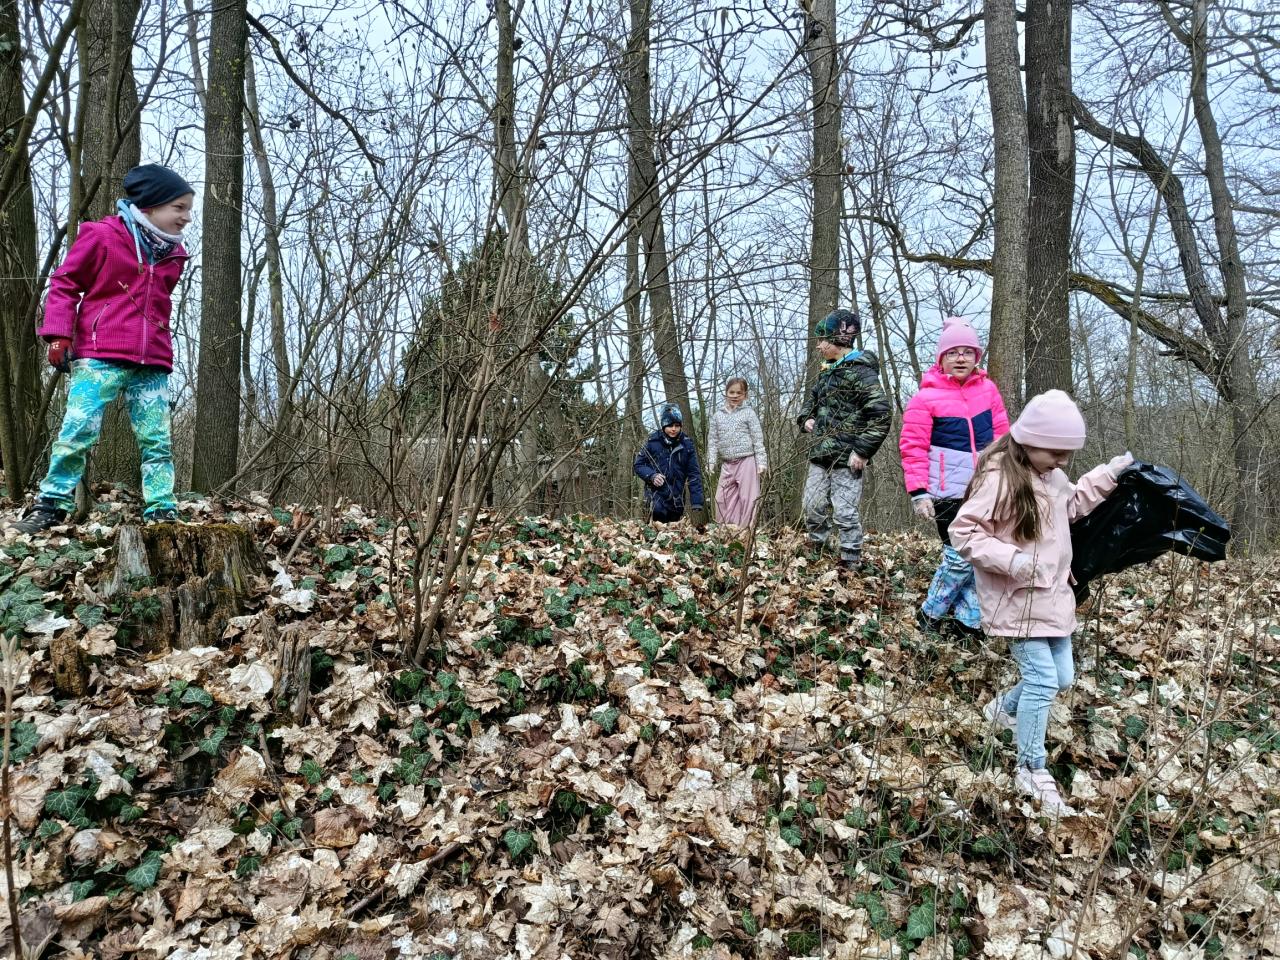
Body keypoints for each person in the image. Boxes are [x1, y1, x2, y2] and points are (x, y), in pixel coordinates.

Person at [950, 390, 1133, 816]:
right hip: (1017, 600)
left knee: (1063, 677)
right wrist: (1014, 561)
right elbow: (964, 532)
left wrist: (1109, 474)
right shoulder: (1000, 478)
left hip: (1053, 597)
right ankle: (1030, 767)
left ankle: (1002, 709)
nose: (1063, 461)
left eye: (1068, 454)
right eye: (1056, 452)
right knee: (1043, 681)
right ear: (1030, 441)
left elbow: (1073, 505)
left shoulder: (1051, 477)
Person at [14, 164, 195, 534]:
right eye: (179, 207)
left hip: (153, 360)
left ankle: (161, 509)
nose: (186, 217)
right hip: (100, 354)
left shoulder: (174, 254)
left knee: (157, 440)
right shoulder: (102, 236)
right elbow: (65, 283)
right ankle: (51, 505)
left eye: (188, 209)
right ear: (151, 205)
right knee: (78, 430)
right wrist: (58, 334)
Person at [899, 317, 1010, 636]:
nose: (960, 358)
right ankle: (929, 614)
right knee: (959, 556)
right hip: (946, 493)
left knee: (981, 557)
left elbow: (1003, 437)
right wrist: (919, 492)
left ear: (976, 357)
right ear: (941, 358)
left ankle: (967, 621)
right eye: (953, 352)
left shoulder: (988, 391)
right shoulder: (925, 399)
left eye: (967, 352)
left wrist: (1008, 477)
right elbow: (913, 447)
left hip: (987, 489)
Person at [797, 308, 891, 570]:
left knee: (845, 512)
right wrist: (805, 419)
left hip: (848, 457)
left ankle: (850, 559)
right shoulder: (826, 372)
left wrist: (862, 451)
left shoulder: (862, 373)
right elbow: (810, 401)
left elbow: (881, 415)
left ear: (838, 340)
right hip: (820, 454)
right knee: (812, 505)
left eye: (822, 340)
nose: (818, 346)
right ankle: (817, 547)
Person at [707, 377, 767, 527]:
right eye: (731, 392)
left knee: (748, 498)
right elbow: (712, 441)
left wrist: (761, 461)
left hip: (747, 460)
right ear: (726, 393)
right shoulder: (717, 416)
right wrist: (711, 461)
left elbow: (757, 439)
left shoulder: (749, 413)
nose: (735, 396)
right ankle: (725, 529)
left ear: (745, 395)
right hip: (727, 463)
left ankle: (747, 530)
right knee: (721, 498)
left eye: (739, 393)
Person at [634, 404, 706, 526]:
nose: (673, 429)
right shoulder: (652, 442)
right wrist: (652, 476)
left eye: (677, 426)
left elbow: (694, 473)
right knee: (655, 528)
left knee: (673, 531)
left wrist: (697, 501)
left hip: (677, 498)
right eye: (670, 425)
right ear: (663, 425)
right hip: (655, 495)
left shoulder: (687, 444)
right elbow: (639, 465)